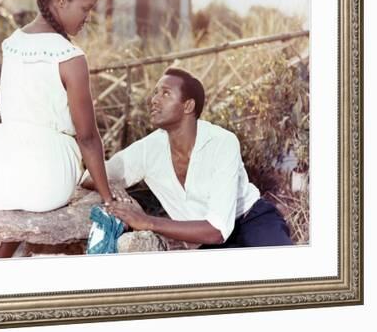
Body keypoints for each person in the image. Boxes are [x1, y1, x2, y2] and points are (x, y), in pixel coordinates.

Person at [0, 0, 119, 257]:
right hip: (46, 180)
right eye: (85, 8)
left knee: (23, 177)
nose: (87, 17)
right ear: (61, 0)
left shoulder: (12, 43)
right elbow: (87, 137)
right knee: (45, 168)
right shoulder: (70, 57)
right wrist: (107, 197)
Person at [82, 67, 292, 248]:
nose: (154, 100)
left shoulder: (221, 142)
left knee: (284, 275)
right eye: (155, 93)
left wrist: (147, 221)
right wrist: (116, 192)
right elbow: (90, 177)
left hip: (251, 221)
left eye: (165, 94)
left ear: (188, 106)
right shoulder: (148, 149)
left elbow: (217, 230)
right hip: (204, 243)